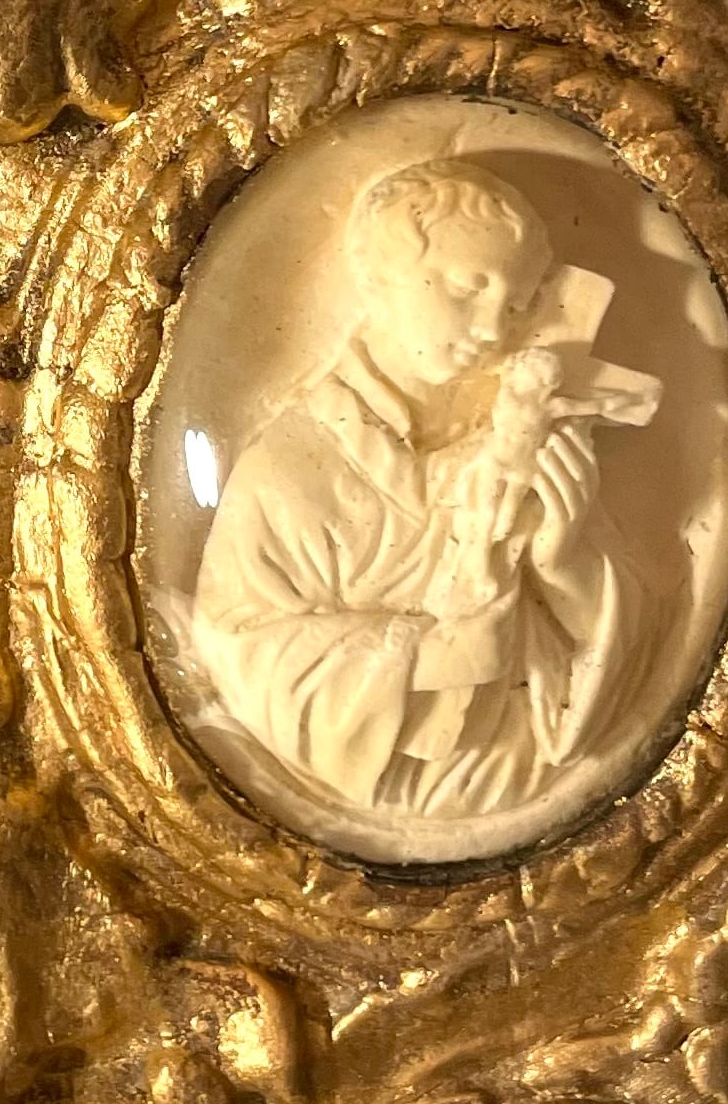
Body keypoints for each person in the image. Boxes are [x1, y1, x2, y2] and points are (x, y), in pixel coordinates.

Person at [189, 161, 650, 831]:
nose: (492, 327)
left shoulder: (520, 443)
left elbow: (614, 653)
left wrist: (563, 556)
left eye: (515, 304)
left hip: (523, 769)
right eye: (467, 288)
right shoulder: (291, 465)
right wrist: (423, 655)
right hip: (375, 784)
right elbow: (239, 651)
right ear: (379, 277)